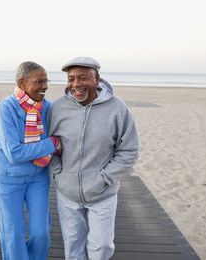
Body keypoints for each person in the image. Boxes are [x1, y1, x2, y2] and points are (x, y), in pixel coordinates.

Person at [49, 57, 139, 260]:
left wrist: (105, 178)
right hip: (67, 193)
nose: (76, 84)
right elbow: (48, 145)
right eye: (71, 78)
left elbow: (129, 150)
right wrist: (57, 173)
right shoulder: (57, 108)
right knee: (73, 247)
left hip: (103, 194)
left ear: (96, 79)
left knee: (102, 248)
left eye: (82, 78)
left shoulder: (117, 108)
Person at [0, 61, 62, 260]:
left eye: (46, 81)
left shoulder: (48, 107)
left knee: (41, 231)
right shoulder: (7, 107)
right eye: (39, 81)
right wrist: (52, 143)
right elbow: (14, 153)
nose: (45, 86)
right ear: (22, 83)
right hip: (9, 177)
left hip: (38, 176)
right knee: (13, 233)